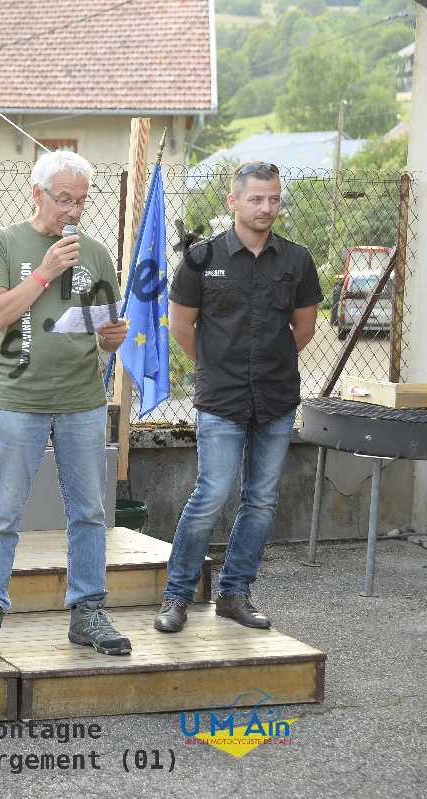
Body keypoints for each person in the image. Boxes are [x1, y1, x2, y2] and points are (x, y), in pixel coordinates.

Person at [0, 150, 131, 659]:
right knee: (3, 511)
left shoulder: (95, 254)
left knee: (89, 511)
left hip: (82, 400)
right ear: (37, 194)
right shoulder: (3, 243)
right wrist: (44, 272)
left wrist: (113, 336)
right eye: (64, 200)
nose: (73, 211)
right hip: (20, 400)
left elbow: (106, 330)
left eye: (81, 202)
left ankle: (88, 611)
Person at [155, 161, 320, 633]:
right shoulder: (201, 259)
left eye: (274, 198)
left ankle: (234, 594)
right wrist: (219, 367)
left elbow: (303, 329)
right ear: (233, 202)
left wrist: (266, 365)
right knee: (210, 495)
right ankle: (177, 596)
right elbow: (182, 328)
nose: (266, 207)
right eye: (256, 198)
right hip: (221, 400)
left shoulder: (297, 260)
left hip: (276, 398)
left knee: (261, 501)